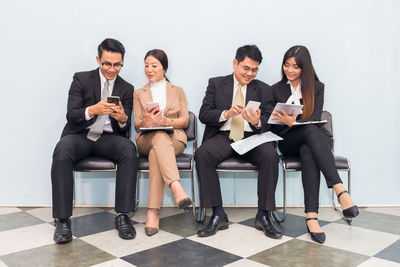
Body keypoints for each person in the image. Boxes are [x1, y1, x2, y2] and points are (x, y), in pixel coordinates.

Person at [270, 45, 359, 244]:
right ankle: (340, 191)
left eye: (295, 66)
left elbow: (316, 117)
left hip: (316, 141)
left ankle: (312, 217)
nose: (290, 70)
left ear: (305, 68)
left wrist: (296, 122)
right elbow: (273, 127)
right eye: (286, 65)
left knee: (308, 149)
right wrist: (289, 124)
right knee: (309, 132)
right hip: (288, 140)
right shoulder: (275, 89)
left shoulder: (317, 87)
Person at [51, 38, 138, 243]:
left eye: (117, 64)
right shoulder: (81, 79)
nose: (111, 69)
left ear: (122, 63)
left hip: (108, 138)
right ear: (99, 59)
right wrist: (93, 110)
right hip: (80, 136)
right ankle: (62, 220)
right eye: (107, 63)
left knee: (128, 149)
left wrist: (122, 119)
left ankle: (123, 215)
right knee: (61, 150)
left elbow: (125, 126)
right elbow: (71, 115)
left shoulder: (127, 88)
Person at [195, 45, 282, 239]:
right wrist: (226, 113)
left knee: (270, 156)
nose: (250, 73)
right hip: (223, 137)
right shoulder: (216, 84)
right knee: (202, 155)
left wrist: (257, 121)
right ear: (235, 63)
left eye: (254, 69)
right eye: (246, 68)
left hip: (252, 138)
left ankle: (264, 214)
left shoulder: (264, 89)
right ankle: (218, 213)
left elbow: (270, 121)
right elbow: (204, 114)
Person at [133, 49, 192, 236]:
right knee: (157, 137)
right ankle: (176, 187)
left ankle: (152, 212)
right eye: (146, 65)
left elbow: (185, 120)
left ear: (164, 68)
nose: (149, 69)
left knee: (156, 152)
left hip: (174, 138)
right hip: (146, 138)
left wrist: (167, 122)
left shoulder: (178, 91)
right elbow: (136, 124)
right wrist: (147, 122)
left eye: (154, 65)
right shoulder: (138, 93)